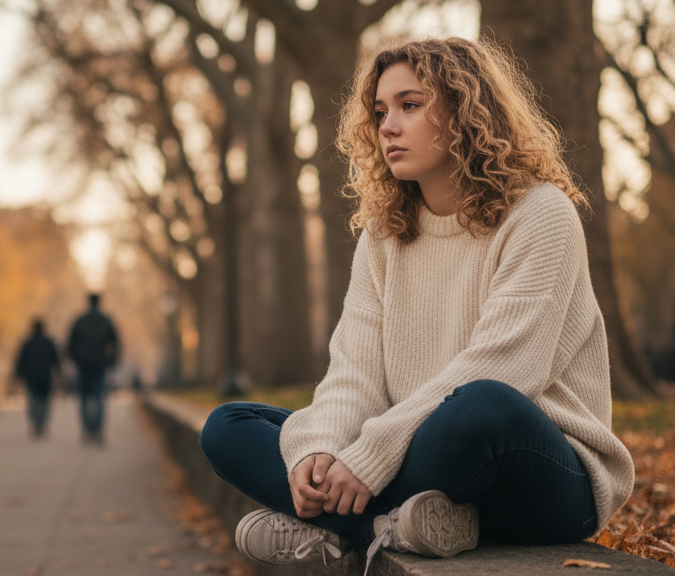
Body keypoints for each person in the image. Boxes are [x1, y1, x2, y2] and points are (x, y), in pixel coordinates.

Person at [198, 37, 635, 572]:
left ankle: (341, 527)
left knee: (481, 404)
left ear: (468, 111)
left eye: (410, 104)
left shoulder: (540, 214)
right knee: (229, 426)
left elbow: (506, 365)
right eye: (381, 111)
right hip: (419, 461)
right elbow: (354, 371)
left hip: (538, 474)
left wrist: (369, 458)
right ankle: (397, 524)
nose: (387, 126)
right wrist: (321, 449)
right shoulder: (384, 233)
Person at [67, 293, 119, 445]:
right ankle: (98, 431)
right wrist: (111, 361)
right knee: (100, 398)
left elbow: (71, 344)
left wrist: (76, 360)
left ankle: (86, 430)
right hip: (100, 364)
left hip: (83, 365)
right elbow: (114, 343)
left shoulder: (79, 321)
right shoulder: (106, 321)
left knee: (83, 399)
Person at [14, 319, 62, 438]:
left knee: (33, 401)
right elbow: (55, 360)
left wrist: (18, 375)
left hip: (31, 377)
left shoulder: (27, 343)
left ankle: (36, 423)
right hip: (45, 377)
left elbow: (20, 361)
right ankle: (41, 424)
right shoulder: (48, 342)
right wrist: (59, 374)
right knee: (44, 402)